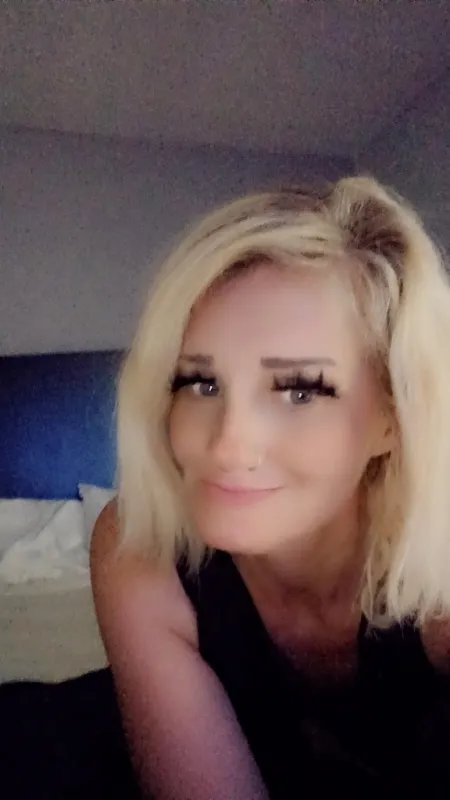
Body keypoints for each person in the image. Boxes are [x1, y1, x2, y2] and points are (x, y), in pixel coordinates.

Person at [91, 176, 450, 800]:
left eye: (301, 390)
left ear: (393, 418)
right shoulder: (138, 544)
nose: (229, 445)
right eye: (199, 383)